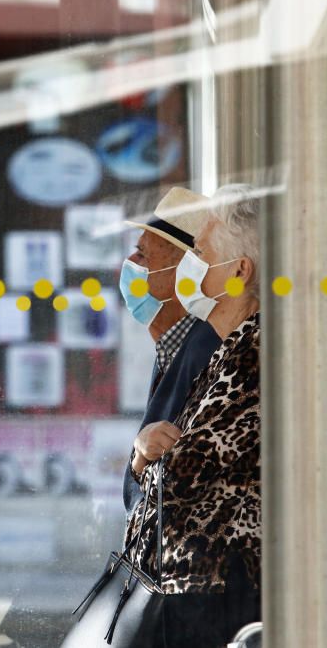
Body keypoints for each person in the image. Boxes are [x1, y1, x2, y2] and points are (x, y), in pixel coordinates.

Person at [126, 184, 262, 648]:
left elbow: (179, 475)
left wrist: (147, 459)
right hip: (200, 595)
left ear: (240, 271)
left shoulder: (251, 353)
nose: (191, 264)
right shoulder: (228, 348)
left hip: (218, 599)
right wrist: (147, 456)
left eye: (199, 252)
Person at [119, 187, 223, 519]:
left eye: (142, 254)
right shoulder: (171, 348)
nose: (130, 264)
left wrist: (139, 461)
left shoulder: (207, 348)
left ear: (184, 272)